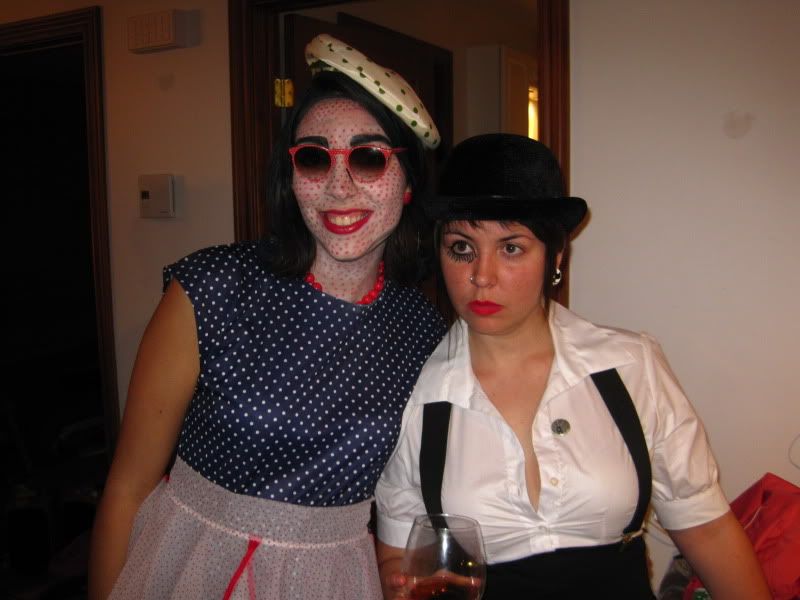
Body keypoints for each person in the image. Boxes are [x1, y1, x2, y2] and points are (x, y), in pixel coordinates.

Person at [88, 34, 446, 600]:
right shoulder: (210, 289)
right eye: (314, 158)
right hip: (189, 564)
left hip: (333, 580)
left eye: (369, 157)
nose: (338, 185)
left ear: (408, 184)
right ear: (291, 176)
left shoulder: (424, 332)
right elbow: (128, 487)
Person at [374, 133, 770, 599]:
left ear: (556, 256)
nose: (482, 275)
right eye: (462, 248)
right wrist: (400, 583)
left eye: (511, 248)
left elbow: (707, 530)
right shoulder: (418, 392)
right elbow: (398, 555)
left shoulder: (630, 366)